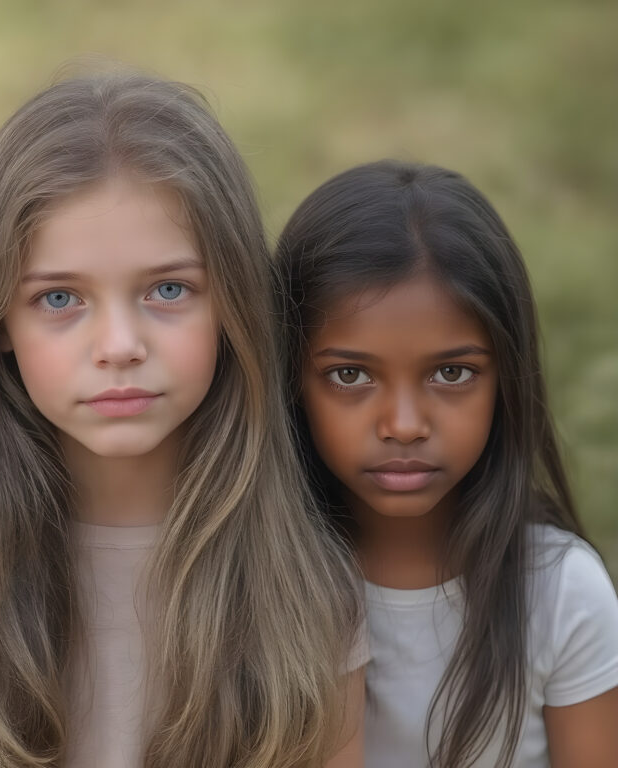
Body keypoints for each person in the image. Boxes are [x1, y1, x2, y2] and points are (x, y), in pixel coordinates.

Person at [0, 71, 365, 768]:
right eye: (60, 298)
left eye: (168, 289)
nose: (120, 346)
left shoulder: (306, 587)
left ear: (233, 305)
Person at [276, 159, 618, 767]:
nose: (404, 424)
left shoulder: (561, 591)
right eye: (349, 375)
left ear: (507, 377)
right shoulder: (259, 579)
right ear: (290, 381)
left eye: (451, 373)